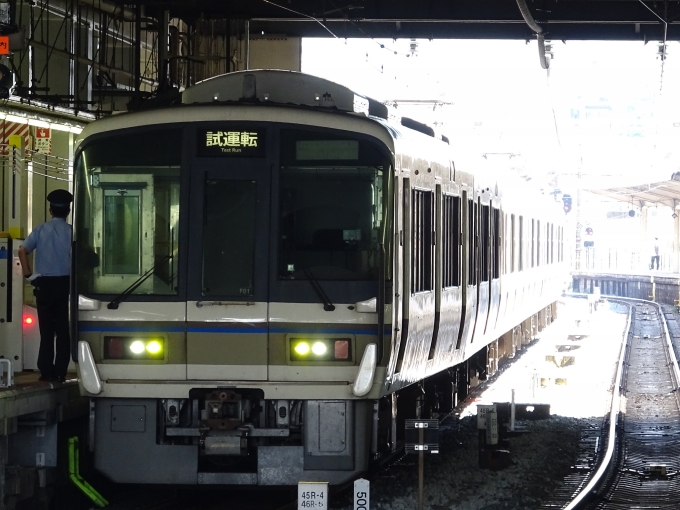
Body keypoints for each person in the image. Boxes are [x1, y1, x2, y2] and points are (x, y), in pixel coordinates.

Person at [18, 189, 73, 382]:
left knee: (46, 330)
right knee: (63, 330)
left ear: (50, 210)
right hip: (65, 284)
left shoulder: (40, 230)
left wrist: (29, 276)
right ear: (68, 211)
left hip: (43, 284)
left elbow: (22, 250)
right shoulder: (71, 233)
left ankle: (46, 371)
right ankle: (60, 371)